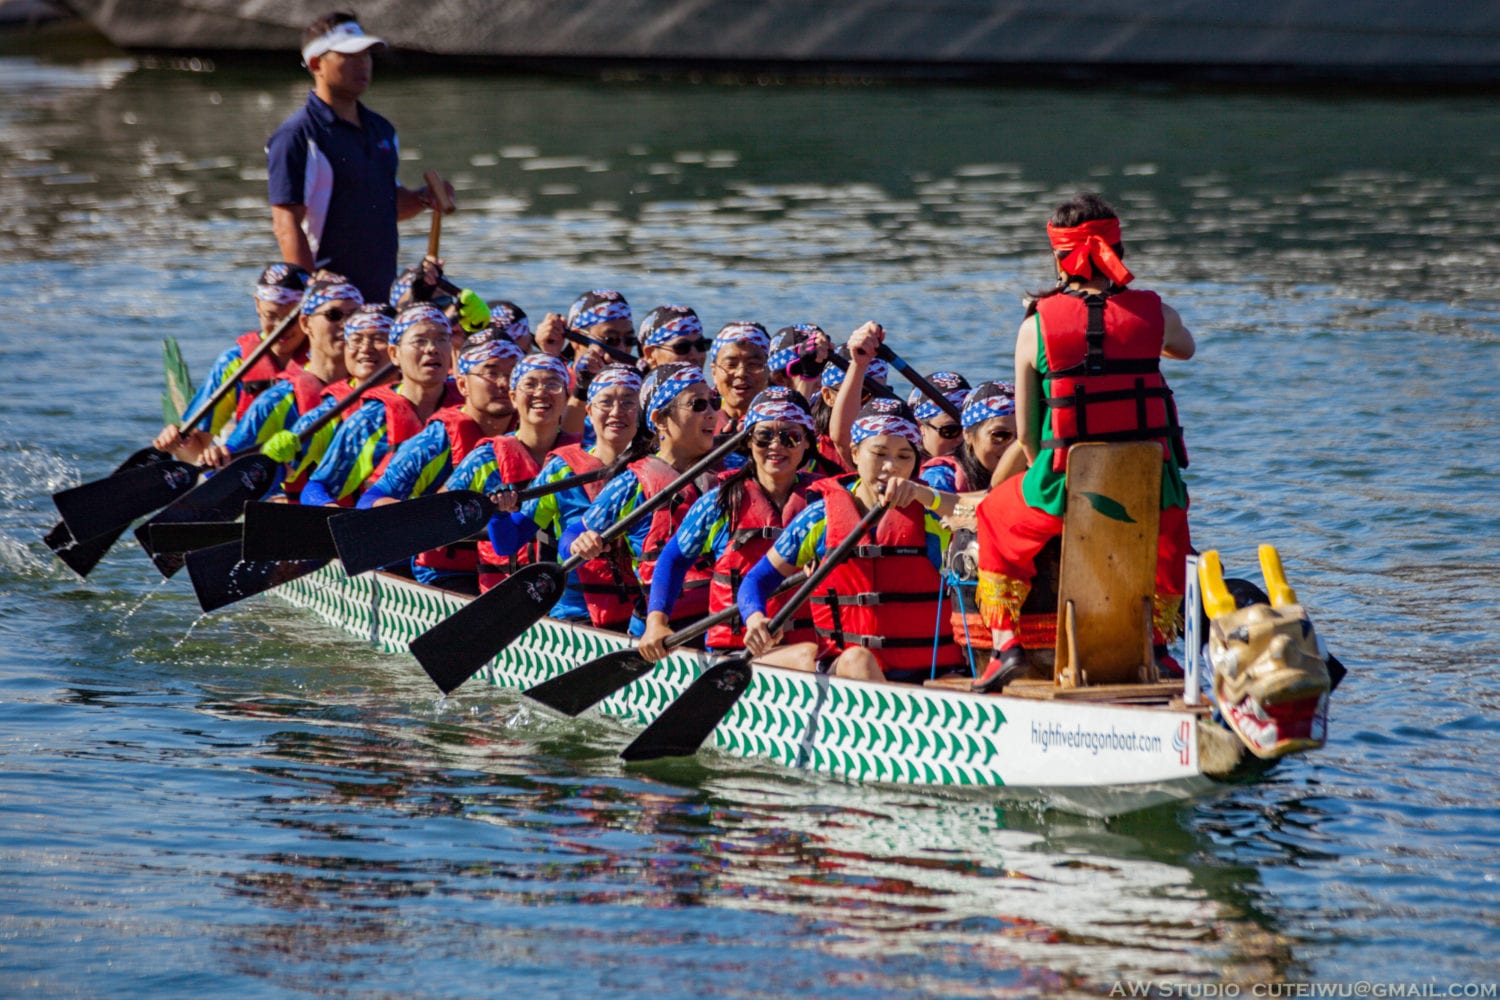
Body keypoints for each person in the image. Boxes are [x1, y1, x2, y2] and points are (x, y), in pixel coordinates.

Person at [975, 192, 1195, 692]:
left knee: (993, 515)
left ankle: (1006, 646)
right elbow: (1186, 348)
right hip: (1153, 488)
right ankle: (1158, 651)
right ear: (1117, 247)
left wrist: (1044, 476)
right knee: (1171, 535)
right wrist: (1134, 333)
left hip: (1064, 485)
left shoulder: (1035, 327)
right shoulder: (1155, 311)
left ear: (1058, 257)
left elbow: (1029, 435)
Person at [735, 399, 966, 682]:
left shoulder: (931, 513)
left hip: (933, 673)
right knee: (859, 659)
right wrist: (755, 618)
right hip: (845, 673)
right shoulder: (819, 517)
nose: (891, 466)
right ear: (855, 453)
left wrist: (925, 496)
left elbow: (982, 515)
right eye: (879, 454)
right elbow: (757, 580)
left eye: (904, 456)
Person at [265, 11, 454, 303]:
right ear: (316, 64)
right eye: (349, 57)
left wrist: (423, 198)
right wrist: (312, 292)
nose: (363, 65)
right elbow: (286, 223)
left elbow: (386, 205)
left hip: (381, 298)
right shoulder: (297, 135)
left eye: (366, 56)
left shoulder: (382, 129)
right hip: (331, 303)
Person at [637, 387, 822, 660]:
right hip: (736, 653)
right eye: (764, 436)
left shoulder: (824, 502)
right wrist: (656, 624)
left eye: (790, 437)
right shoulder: (721, 503)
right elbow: (674, 559)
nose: (776, 446)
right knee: (807, 655)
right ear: (748, 442)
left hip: (812, 646)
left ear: (807, 442)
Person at [356, 332, 524, 590]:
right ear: (463, 385)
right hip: (443, 572)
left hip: (509, 569)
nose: (503, 383)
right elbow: (368, 501)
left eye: (513, 374)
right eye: (491, 373)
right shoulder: (435, 441)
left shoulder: (534, 432)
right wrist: (426, 520)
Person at [565, 363, 720, 635]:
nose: (711, 413)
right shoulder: (632, 484)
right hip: (661, 625)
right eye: (697, 405)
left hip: (719, 618)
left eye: (713, 402)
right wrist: (580, 542)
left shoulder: (732, 470)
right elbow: (575, 533)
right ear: (660, 419)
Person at [485, 364, 646, 625]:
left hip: (643, 615)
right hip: (577, 615)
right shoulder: (562, 470)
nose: (616, 412)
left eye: (629, 402)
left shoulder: (656, 469)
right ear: (589, 412)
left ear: (642, 414)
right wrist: (498, 514)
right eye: (605, 402)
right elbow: (508, 543)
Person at [300, 303, 460, 506]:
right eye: (420, 341)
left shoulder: (471, 405)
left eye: (441, 339)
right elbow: (317, 487)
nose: (432, 349)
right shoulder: (371, 418)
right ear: (394, 354)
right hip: (384, 523)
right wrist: (328, 508)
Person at [441, 353, 576, 591]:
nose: (541, 392)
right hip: (501, 591)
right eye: (530, 384)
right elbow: (439, 516)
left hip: (561, 593)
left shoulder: (580, 458)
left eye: (553, 384)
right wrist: (492, 514)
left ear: (567, 397)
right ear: (513, 397)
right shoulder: (485, 459)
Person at [153, 262, 310, 461]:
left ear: (307, 316)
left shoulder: (325, 362)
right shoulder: (233, 362)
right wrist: (177, 442)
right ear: (257, 305)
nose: (280, 328)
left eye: (290, 319)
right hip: (251, 476)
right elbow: (196, 451)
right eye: (271, 316)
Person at [201, 277, 361, 469]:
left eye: (354, 316)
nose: (346, 325)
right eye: (333, 315)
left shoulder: (378, 393)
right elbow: (227, 472)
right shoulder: (276, 401)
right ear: (305, 323)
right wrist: (217, 457)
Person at [276, 303, 397, 501]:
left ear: (396, 350)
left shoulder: (428, 399)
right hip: (352, 518)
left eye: (379, 339)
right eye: (356, 340)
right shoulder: (328, 413)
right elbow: (282, 473)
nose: (366, 348)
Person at [920, 380, 1019, 494]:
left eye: (1022, 437)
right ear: (968, 435)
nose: (1014, 446)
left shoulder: (1039, 473)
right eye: (1000, 435)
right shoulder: (939, 478)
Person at [637, 304, 710, 370]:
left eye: (701, 345)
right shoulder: (628, 384)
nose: (695, 356)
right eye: (682, 347)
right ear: (650, 354)